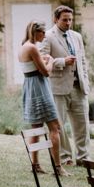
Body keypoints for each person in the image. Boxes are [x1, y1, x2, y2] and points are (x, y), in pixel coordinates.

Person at [43, 5, 91, 167]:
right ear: (56, 19)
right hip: (58, 87)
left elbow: (83, 60)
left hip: (79, 87)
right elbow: (43, 60)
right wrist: (62, 62)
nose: (68, 23)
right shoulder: (48, 36)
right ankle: (65, 157)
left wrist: (86, 81)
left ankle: (84, 157)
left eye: (70, 19)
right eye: (65, 20)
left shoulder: (76, 36)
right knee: (59, 125)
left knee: (82, 124)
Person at [19, 21, 64, 175]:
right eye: (42, 32)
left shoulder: (24, 46)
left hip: (30, 88)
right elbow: (46, 72)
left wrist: (43, 61)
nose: (44, 35)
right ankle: (58, 167)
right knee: (54, 126)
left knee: (36, 128)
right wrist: (50, 61)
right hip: (39, 88)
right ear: (35, 32)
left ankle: (35, 164)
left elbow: (33, 68)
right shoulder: (32, 47)